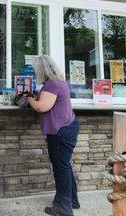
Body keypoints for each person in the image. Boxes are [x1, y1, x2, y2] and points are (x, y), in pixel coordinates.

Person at [25, 55, 80, 216]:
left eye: (36, 70)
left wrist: (29, 98)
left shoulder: (52, 84)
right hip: (67, 128)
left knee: (61, 168)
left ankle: (63, 209)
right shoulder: (58, 82)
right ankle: (72, 201)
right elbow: (48, 102)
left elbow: (42, 107)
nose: (35, 73)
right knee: (64, 165)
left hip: (61, 131)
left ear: (42, 69)